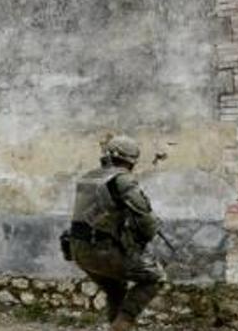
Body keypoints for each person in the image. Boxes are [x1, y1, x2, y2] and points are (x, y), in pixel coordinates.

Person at [68, 135, 165, 331]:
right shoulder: (122, 180)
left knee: (116, 289)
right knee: (156, 277)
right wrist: (144, 236)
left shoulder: (89, 176)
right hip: (103, 252)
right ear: (131, 160)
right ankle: (121, 324)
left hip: (78, 250)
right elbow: (146, 221)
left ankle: (117, 325)